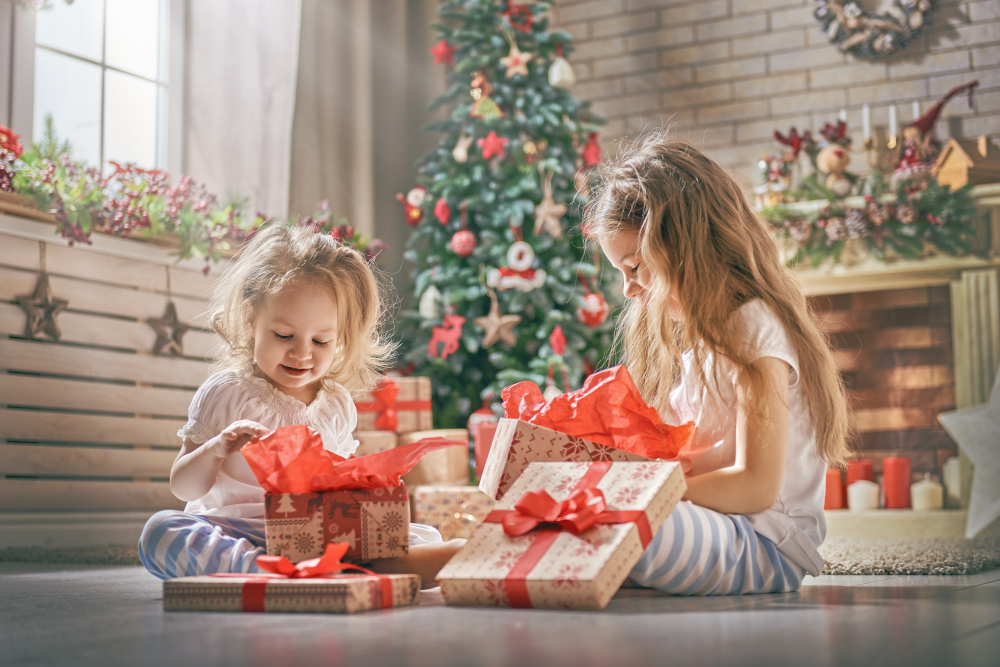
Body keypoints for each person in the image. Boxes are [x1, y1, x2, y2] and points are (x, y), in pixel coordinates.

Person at [588, 134, 851, 595]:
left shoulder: (753, 328)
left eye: (634, 267)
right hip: (711, 524)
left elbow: (756, 488)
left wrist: (643, 490)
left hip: (765, 544)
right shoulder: (695, 339)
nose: (628, 290)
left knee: (615, 523)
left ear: (683, 244)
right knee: (575, 516)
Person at [139, 224, 463, 586]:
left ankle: (322, 570)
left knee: (419, 535)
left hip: (310, 536)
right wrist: (217, 449)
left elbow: (338, 489)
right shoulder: (226, 392)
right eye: (284, 335)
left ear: (341, 338)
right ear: (250, 319)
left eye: (322, 341)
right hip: (237, 530)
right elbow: (183, 488)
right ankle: (283, 573)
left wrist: (367, 490)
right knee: (162, 531)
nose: (302, 353)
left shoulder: (335, 405)